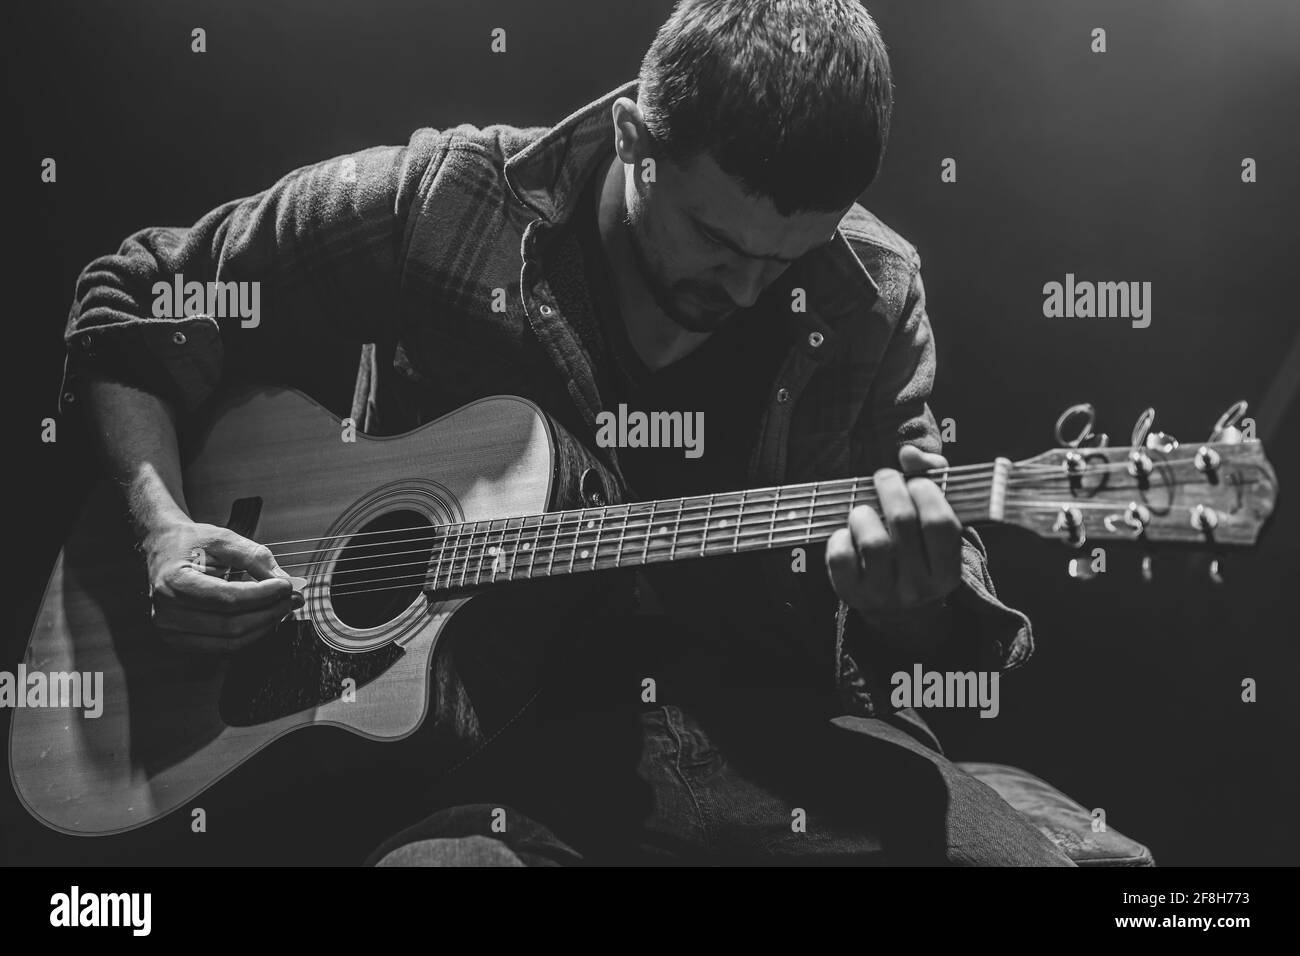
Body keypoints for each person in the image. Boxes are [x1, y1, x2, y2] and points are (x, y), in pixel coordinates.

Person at [61, 0, 1072, 865]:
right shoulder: (449, 199)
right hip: (497, 752)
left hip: (785, 725)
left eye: (785, 257)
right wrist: (162, 524)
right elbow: (141, 295)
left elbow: (931, 553)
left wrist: (915, 601)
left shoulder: (875, 288)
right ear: (635, 135)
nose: (746, 287)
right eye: (715, 239)